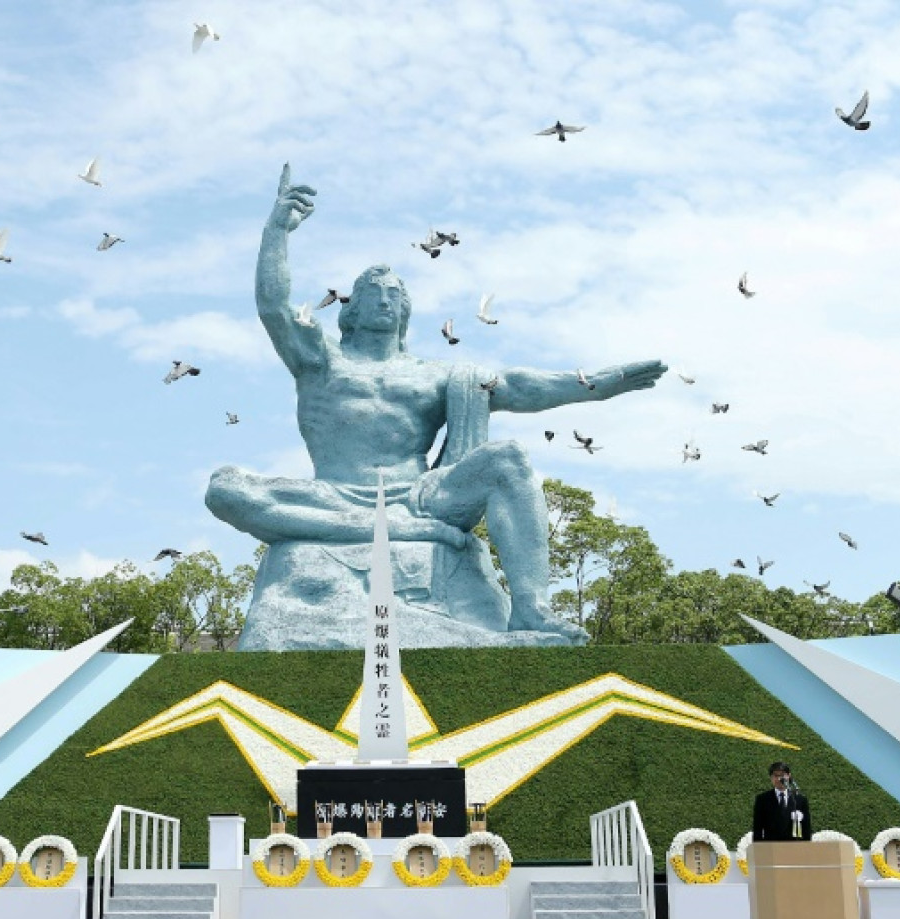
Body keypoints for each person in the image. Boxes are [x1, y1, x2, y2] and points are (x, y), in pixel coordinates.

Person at [205, 165, 667, 641]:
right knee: (225, 488)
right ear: (352, 308)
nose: (385, 301)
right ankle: (378, 529)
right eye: (373, 294)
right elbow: (274, 308)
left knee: (507, 459)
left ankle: (530, 608)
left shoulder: (437, 374)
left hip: (420, 497)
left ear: (406, 312)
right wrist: (277, 231)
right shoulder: (322, 361)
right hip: (335, 494)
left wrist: (593, 383)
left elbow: (520, 387)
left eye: (395, 295)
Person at [752, 761, 811, 842]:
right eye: (776, 775)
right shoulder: (762, 799)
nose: (779, 779)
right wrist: (758, 849)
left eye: (782, 775)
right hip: (771, 848)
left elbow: (806, 828)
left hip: (794, 847)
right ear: (771, 777)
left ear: (788, 776)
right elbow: (757, 828)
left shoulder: (800, 800)